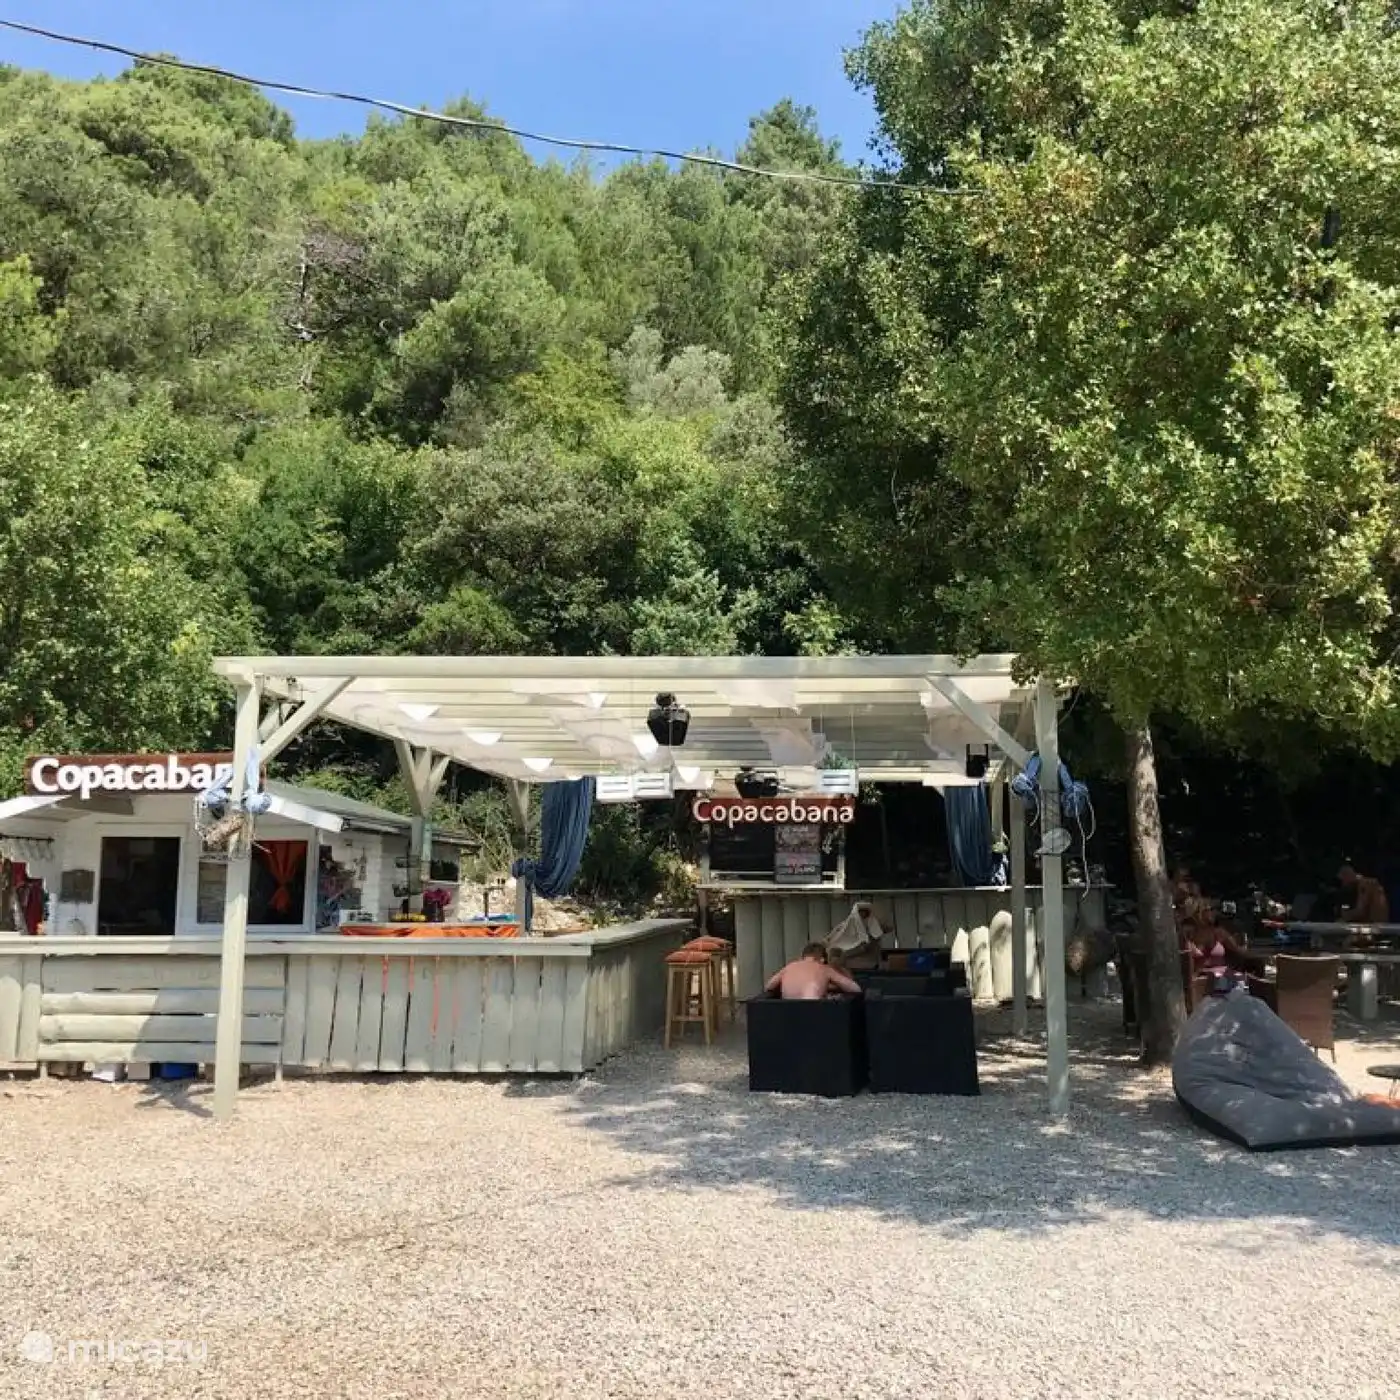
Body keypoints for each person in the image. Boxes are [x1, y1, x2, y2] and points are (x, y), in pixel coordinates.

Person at [764, 942, 863, 1000]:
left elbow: (769, 986)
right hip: (813, 1013)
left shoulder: (789, 967)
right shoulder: (824, 968)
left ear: (803, 957)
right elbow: (855, 988)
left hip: (787, 1015)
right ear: (823, 960)